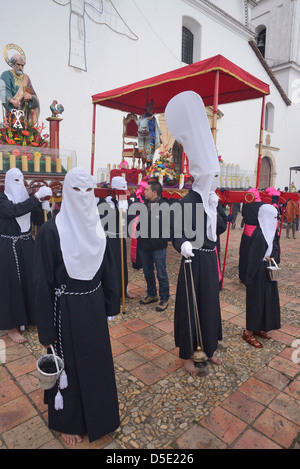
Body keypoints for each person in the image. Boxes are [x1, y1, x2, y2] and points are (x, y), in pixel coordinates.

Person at [33, 168, 120, 445]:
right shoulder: (50, 232)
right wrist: (46, 331)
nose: (83, 197)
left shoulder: (99, 226)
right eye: (76, 190)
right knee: (68, 367)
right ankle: (68, 421)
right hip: (65, 309)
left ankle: (100, 415)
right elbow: (42, 283)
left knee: (96, 362)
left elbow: (108, 268)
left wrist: (110, 304)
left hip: (93, 306)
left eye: (87, 190)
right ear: (65, 192)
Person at [165, 91, 222, 376]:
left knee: (210, 304)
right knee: (190, 305)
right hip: (192, 261)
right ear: (202, 177)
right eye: (211, 178)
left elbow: (220, 229)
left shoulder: (211, 200)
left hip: (210, 259)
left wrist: (217, 209)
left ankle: (209, 348)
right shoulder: (187, 202)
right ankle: (188, 353)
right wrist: (182, 244)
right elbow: (174, 231)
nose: (214, 182)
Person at [0, 168, 52, 343]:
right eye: (15, 180)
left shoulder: (27, 200)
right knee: (11, 285)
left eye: (20, 179)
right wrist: (36, 199)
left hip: (27, 244)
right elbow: (14, 211)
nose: (18, 183)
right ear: (7, 181)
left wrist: (45, 207)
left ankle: (31, 317)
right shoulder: (2, 199)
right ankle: (12, 327)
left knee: (31, 280)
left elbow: (39, 221)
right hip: (8, 246)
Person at [241, 204, 281, 348]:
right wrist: (249, 279)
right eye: (273, 217)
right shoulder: (258, 235)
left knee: (266, 301)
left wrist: (273, 257)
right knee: (256, 302)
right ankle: (249, 331)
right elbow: (252, 259)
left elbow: (276, 248)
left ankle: (259, 327)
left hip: (267, 271)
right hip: (257, 273)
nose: (275, 220)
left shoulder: (271, 232)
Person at [97, 176, 134, 299]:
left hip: (120, 237)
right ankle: (112, 291)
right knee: (110, 264)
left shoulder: (126, 201)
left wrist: (123, 208)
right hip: (108, 238)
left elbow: (129, 218)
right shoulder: (104, 202)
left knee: (122, 262)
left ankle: (124, 288)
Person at [138, 180, 170, 312]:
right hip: (144, 245)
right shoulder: (145, 204)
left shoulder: (165, 206)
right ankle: (152, 294)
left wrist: (160, 240)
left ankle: (164, 298)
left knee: (161, 273)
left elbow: (169, 227)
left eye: (147, 190)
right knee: (147, 272)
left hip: (158, 246)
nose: (144, 192)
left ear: (154, 192)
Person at [1, 54, 40, 124]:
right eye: (18, 64)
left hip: (24, 113)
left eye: (22, 65)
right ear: (12, 64)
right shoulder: (6, 75)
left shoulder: (26, 78)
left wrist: (30, 97)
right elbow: (4, 91)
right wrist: (12, 101)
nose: (20, 67)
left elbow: (33, 95)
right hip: (12, 111)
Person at [238, 188, 265, 285]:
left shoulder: (246, 205)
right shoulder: (263, 206)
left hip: (246, 234)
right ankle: (252, 278)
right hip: (257, 235)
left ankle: (242, 276)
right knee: (255, 257)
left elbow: (244, 216)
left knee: (244, 255)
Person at [137, 100, 161, 165]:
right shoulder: (142, 116)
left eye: (152, 109)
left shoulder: (154, 118)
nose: (151, 110)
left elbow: (156, 127)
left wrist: (159, 136)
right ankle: (147, 165)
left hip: (153, 136)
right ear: (147, 108)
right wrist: (146, 119)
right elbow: (138, 123)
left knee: (152, 153)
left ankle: (150, 164)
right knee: (147, 152)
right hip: (146, 137)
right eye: (150, 109)